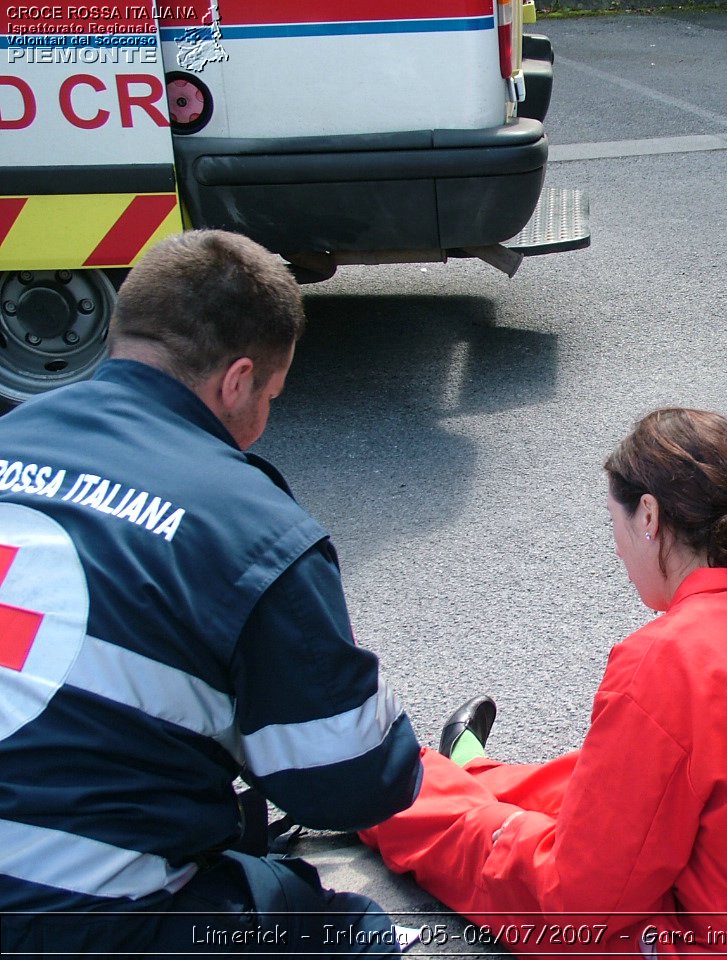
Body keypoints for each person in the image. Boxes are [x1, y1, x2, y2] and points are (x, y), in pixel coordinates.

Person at [361, 408, 727, 956]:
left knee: (499, 845)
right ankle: (471, 772)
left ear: (649, 517)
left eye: (614, 523)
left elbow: (579, 902)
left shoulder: (668, 658)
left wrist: (474, 834)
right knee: (639, 769)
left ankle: (386, 782)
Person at [0, 230, 423, 956]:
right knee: (342, 928)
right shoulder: (251, 528)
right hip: (77, 923)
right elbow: (353, 783)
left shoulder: (13, 433)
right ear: (237, 380)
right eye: (272, 395)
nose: (261, 420)